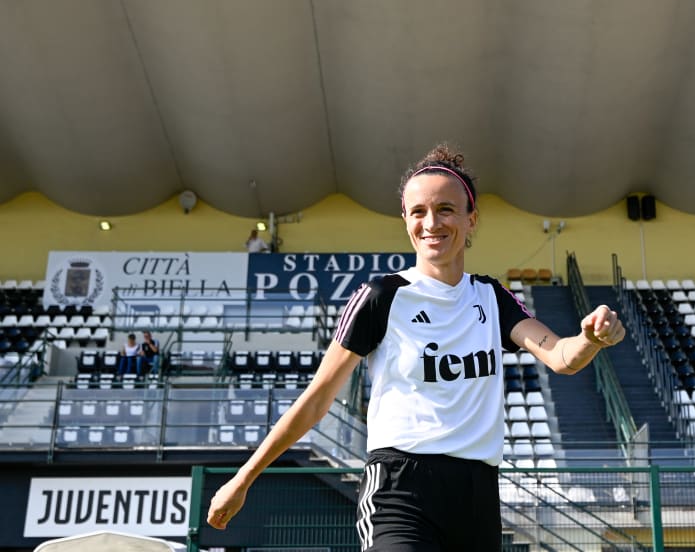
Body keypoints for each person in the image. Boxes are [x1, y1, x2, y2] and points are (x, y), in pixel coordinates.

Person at [208, 143, 626, 550]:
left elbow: (561, 357)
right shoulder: (381, 297)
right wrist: (243, 478)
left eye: (445, 209)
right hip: (399, 490)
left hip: (477, 496)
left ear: (471, 218)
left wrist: (590, 339)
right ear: (406, 219)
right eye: (419, 212)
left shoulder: (491, 297)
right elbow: (317, 399)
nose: (432, 223)